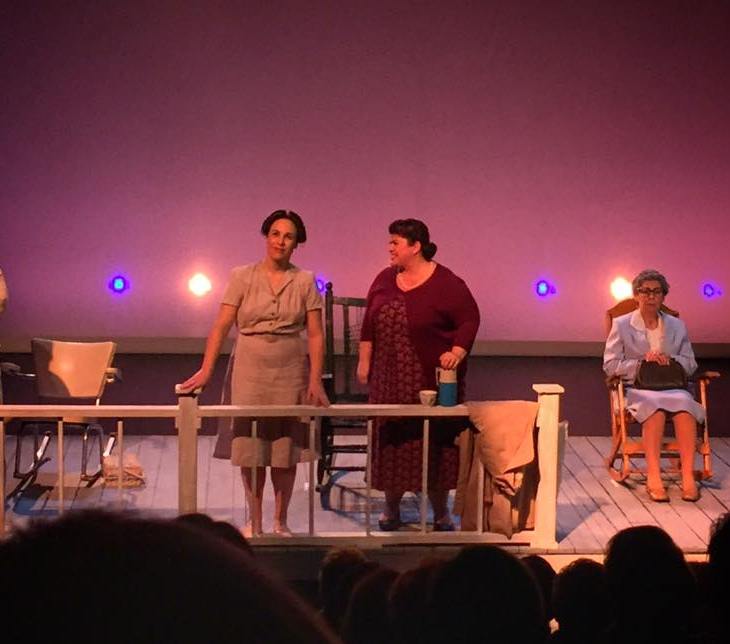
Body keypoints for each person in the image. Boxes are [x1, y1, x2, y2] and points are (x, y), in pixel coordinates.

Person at [181, 210, 329, 537]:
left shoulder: (304, 280)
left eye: (288, 236)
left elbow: (316, 334)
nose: (280, 241)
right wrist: (206, 369)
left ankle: (280, 521)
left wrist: (315, 379)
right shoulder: (242, 276)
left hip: (290, 368)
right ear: (266, 237)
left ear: (296, 243)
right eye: (275, 234)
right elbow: (221, 326)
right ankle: (256, 521)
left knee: (285, 448)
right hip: (250, 367)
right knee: (252, 447)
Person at [357, 219, 480, 531]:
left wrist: (457, 352)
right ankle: (391, 509)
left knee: (435, 441)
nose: (390, 248)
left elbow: (469, 319)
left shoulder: (446, 282)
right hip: (388, 378)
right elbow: (368, 325)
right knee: (392, 440)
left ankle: (440, 512)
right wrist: (364, 362)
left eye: (395, 242)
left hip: (427, 378)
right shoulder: (384, 279)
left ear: (415, 246)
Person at [604, 268, 704, 502]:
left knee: (685, 408)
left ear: (663, 296)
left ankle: (687, 477)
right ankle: (654, 476)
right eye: (645, 291)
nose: (650, 296)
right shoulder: (622, 324)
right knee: (655, 411)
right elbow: (610, 365)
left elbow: (690, 363)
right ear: (636, 295)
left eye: (656, 292)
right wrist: (642, 363)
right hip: (639, 388)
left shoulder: (677, 326)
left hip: (672, 386)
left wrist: (671, 360)